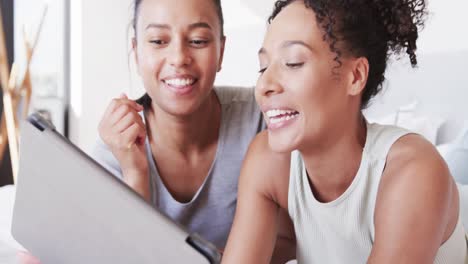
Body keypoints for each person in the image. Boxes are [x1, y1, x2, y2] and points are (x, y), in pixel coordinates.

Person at [18, 0, 295, 263]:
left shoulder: (264, 120)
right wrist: (135, 172)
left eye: (198, 41)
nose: (178, 58)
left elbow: (290, 239)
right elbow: (121, 256)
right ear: (136, 53)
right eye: (158, 41)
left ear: (221, 51)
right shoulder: (115, 149)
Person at [222, 0, 467, 263]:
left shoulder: (414, 172)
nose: (263, 86)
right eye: (263, 67)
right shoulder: (267, 159)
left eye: (293, 63)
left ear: (355, 76)